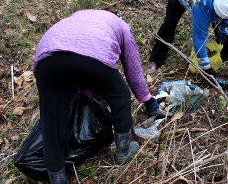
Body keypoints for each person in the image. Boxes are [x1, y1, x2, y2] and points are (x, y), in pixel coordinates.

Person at [33, 9, 169, 184]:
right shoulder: (123, 27)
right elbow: (134, 75)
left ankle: (57, 179)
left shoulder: (80, 15)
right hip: (90, 54)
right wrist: (148, 101)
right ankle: (123, 152)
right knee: (120, 95)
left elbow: (72, 70)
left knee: (52, 120)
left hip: (47, 59)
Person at [147, 0, 228, 77]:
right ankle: (155, 59)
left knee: (220, 24)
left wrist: (223, 32)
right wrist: (207, 68)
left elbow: (226, 19)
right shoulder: (200, 5)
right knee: (170, 23)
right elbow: (199, 39)